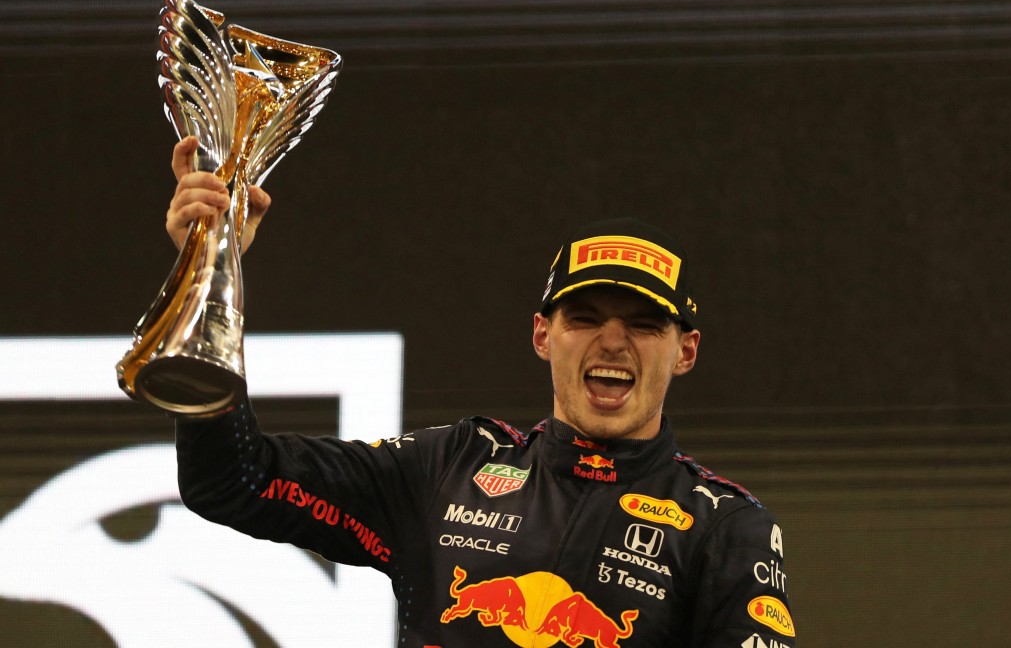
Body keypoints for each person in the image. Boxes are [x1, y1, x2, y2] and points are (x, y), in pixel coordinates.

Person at [167, 136, 796, 647]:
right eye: (584, 318)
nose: (611, 342)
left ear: (686, 350)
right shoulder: (451, 466)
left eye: (643, 324)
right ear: (542, 335)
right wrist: (210, 274)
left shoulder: (724, 527)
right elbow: (230, 480)